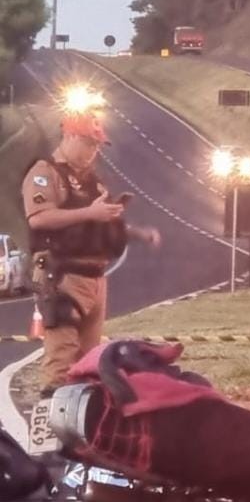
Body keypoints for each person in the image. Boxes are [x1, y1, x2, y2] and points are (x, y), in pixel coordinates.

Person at [21, 111, 161, 397]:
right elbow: (38, 217)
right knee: (62, 359)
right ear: (69, 136)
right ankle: (50, 427)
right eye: (88, 143)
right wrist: (90, 212)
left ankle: (85, 430)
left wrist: (135, 232)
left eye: (97, 146)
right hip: (62, 273)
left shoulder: (93, 182)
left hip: (96, 276)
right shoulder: (45, 173)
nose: (92, 151)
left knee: (90, 362)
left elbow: (100, 221)